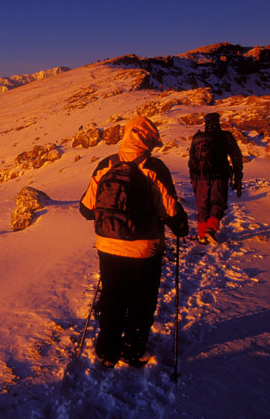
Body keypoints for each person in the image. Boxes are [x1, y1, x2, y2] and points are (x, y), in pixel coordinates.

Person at [79, 116, 189, 368]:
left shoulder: (107, 164)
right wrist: (181, 226)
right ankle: (132, 350)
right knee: (142, 300)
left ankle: (107, 350)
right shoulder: (153, 166)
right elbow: (169, 210)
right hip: (144, 248)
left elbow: (86, 209)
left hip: (108, 245)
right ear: (149, 139)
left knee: (111, 297)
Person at [188, 112, 243, 244]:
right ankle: (211, 229)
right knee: (218, 203)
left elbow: (191, 160)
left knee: (202, 206)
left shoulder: (198, 137)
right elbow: (236, 158)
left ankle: (202, 234)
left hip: (199, 178)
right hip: (219, 176)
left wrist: (193, 179)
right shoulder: (225, 136)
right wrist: (238, 178)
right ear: (218, 122)